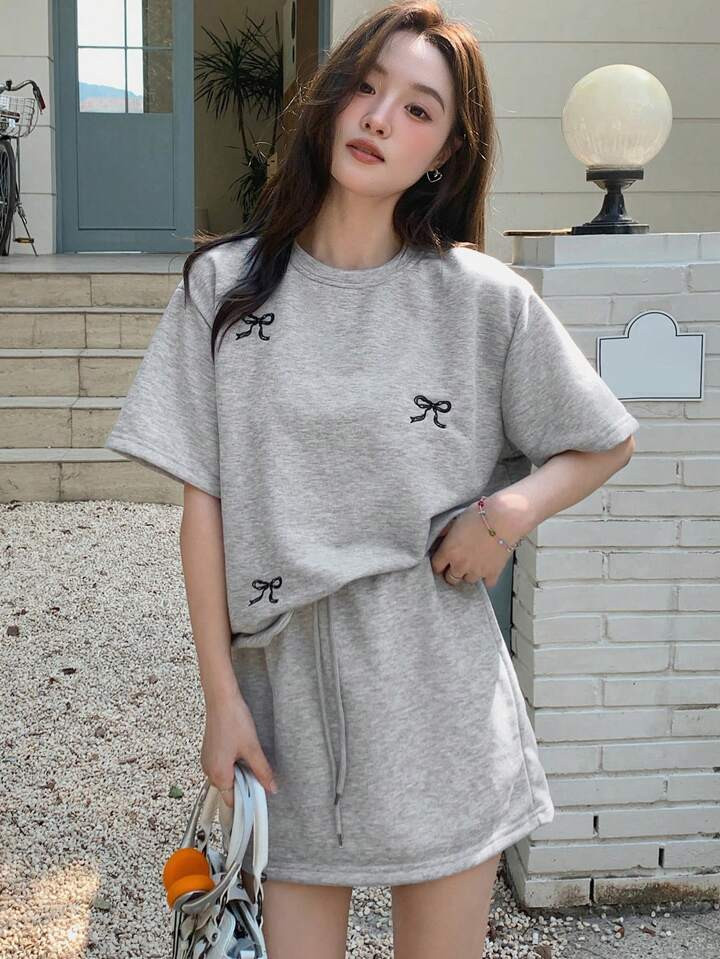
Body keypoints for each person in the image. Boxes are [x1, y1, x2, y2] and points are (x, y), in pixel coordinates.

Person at [105, 2, 640, 956]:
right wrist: (220, 699)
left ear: (445, 150)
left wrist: (507, 513)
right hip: (284, 708)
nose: (380, 117)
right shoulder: (223, 289)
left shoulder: (481, 300)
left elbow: (603, 440)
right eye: (366, 85)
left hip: (439, 691)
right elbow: (205, 505)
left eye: (419, 108)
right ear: (331, 97)